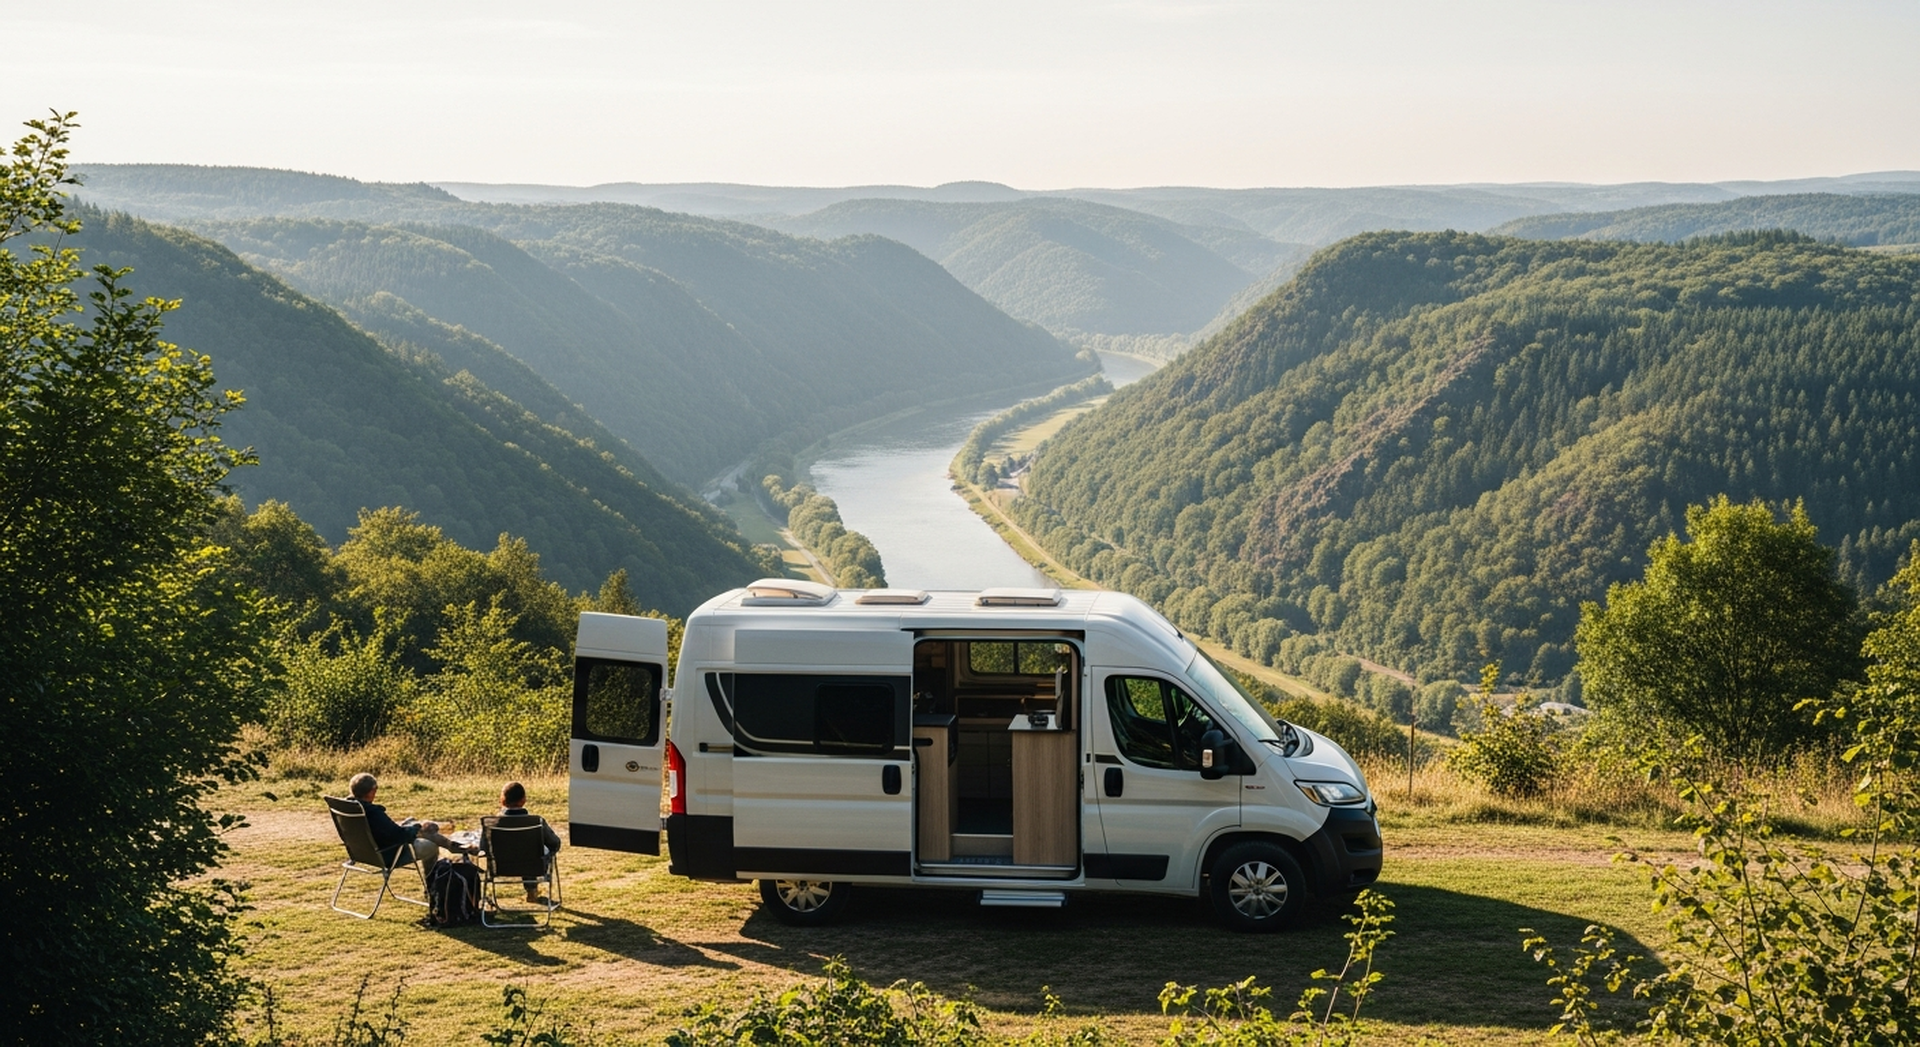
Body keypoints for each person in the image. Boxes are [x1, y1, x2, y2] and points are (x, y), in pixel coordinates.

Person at [348, 772, 471, 866]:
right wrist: (416, 828)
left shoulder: (349, 808)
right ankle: (432, 884)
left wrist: (412, 826)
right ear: (371, 791)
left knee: (416, 823)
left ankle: (453, 846)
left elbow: (387, 830)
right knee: (431, 844)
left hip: (362, 853)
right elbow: (399, 836)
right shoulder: (373, 813)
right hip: (389, 854)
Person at [495, 780, 561, 903]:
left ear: (502, 800)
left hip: (500, 867)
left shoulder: (493, 823)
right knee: (531, 853)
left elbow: (483, 847)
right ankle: (532, 890)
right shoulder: (536, 822)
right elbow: (555, 843)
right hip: (533, 866)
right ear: (523, 800)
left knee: (522, 851)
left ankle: (531, 891)